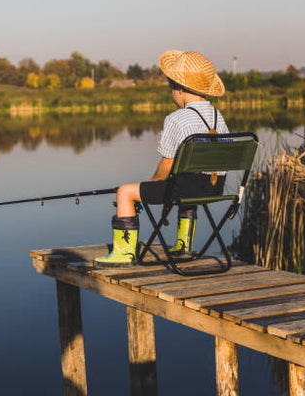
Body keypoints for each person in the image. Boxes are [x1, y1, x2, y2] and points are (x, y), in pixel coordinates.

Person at [94, 50, 229, 267]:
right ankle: (184, 247)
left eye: (171, 87)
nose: (171, 92)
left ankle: (124, 254)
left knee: (125, 192)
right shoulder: (217, 116)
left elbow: (166, 165)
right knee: (187, 188)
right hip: (215, 188)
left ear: (180, 88)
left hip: (184, 189)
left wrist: (151, 184)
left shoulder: (176, 119)